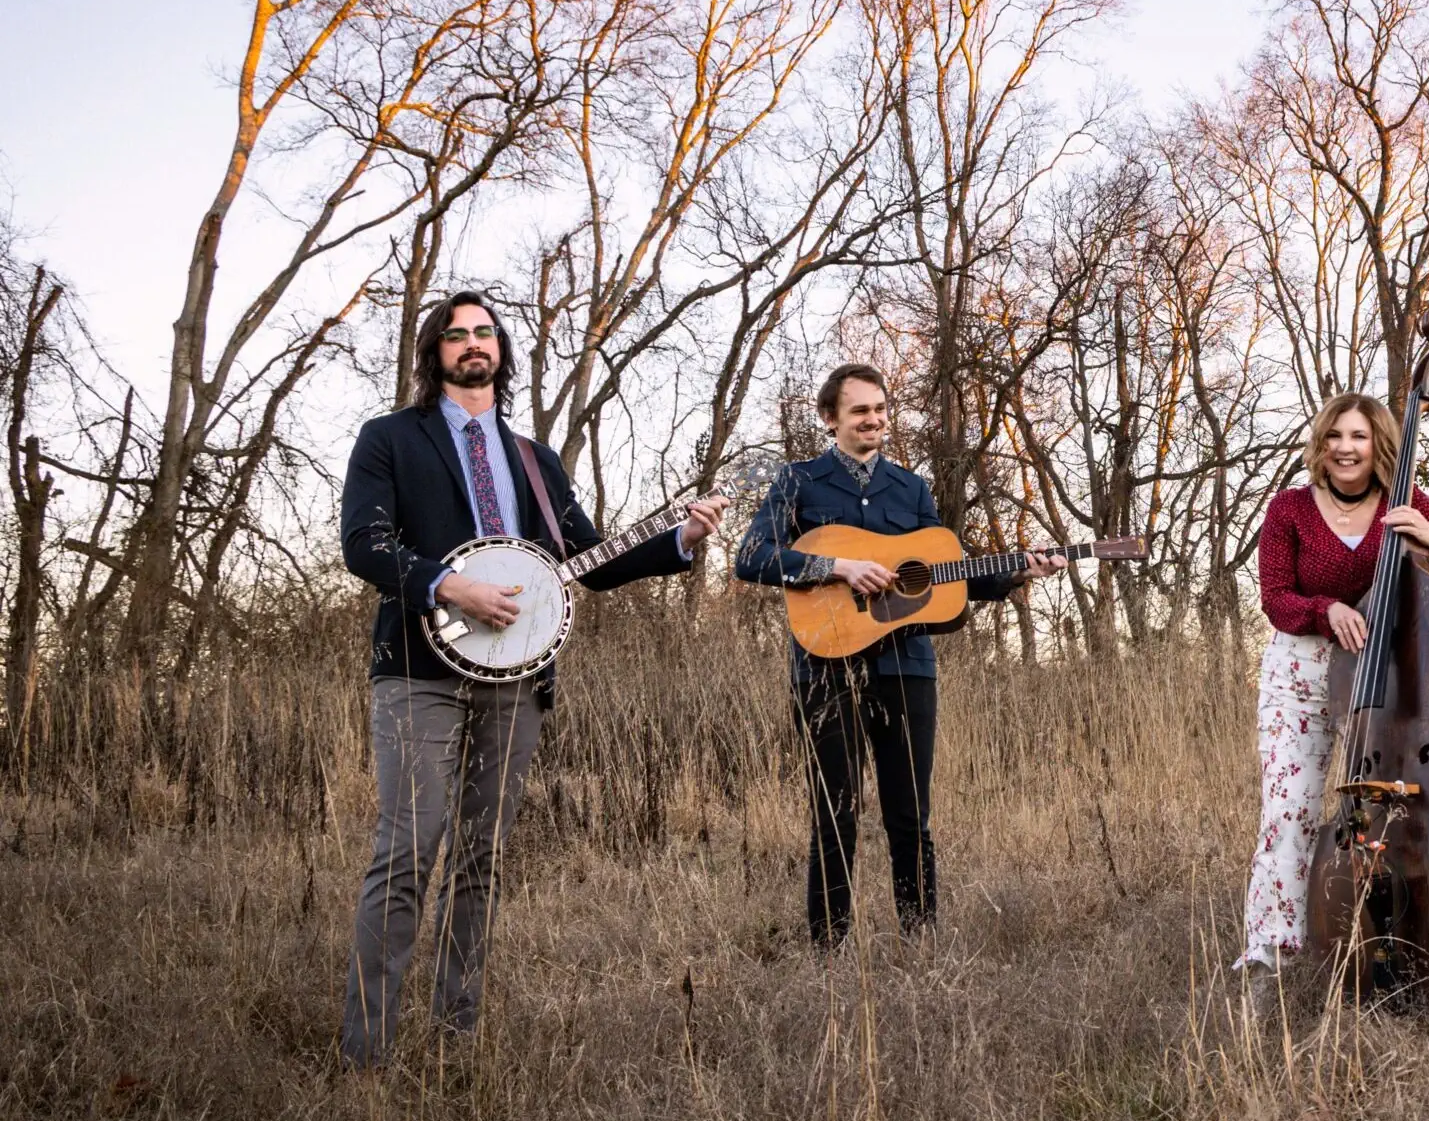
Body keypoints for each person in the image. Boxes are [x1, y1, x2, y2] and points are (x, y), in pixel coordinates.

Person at [337, 291, 726, 1067]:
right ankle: (367, 1054)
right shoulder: (390, 439)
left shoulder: (534, 460)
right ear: (434, 351)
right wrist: (451, 585)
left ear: (502, 351)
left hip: (517, 679)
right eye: (457, 334)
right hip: (420, 671)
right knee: (408, 850)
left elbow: (594, 559)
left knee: (482, 858)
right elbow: (363, 544)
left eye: (485, 332)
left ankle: (456, 1036)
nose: (472, 343)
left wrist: (679, 537)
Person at [734, 362, 1063, 943]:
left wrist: (1016, 573)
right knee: (834, 816)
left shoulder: (912, 488)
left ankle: (921, 944)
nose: (874, 419)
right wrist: (835, 566)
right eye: (860, 410)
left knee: (910, 816)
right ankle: (829, 951)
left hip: (907, 669)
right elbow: (752, 558)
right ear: (830, 418)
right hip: (824, 669)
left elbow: (943, 577)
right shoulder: (797, 481)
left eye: (881, 408)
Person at [1244, 391, 1429, 981]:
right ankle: (1271, 963)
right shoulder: (1290, 509)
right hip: (1302, 677)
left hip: (1383, 688)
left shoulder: (1406, 502)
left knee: (1390, 819)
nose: (1344, 448)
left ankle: (1384, 950)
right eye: (1334, 436)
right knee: (1290, 816)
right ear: (1321, 445)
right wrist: (1327, 609)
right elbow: (1275, 597)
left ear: (1378, 443)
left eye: (1357, 437)